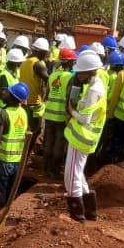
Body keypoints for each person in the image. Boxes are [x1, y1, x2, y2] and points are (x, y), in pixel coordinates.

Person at [64, 50, 107, 222]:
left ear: (89, 71)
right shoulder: (97, 85)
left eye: (80, 71)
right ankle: (90, 211)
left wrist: (71, 111)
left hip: (81, 138)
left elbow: (85, 118)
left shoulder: (94, 90)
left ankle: (77, 214)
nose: (78, 74)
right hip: (86, 138)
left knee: (71, 175)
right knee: (78, 173)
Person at [0, 82, 30, 208]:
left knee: (1, 189)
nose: (5, 94)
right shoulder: (23, 113)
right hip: (18, 160)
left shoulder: (3, 113)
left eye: (8, 93)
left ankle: (0, 211)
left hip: (4, 159)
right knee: (12, 188)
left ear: (13, 97)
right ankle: (9, 208)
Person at [43, 47, 76, 178]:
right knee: (59, 144)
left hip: (49, 114)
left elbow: (49, 93)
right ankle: (55, 171)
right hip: (61, 116)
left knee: (48, 142)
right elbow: (70, 99)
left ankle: (45, 169)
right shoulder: (71, 78)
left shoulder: (53, 75)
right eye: (72, 61)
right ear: (69, 62)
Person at [104, 50, 124, 163]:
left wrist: (110, 114)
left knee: (116, 140)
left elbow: (114, 96)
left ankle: (111, 162)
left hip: (119, 115)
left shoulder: (122, 74)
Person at [19, 38, 51, 136]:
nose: (46, 55)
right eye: (45, 53)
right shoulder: (38, 64)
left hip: (23, 99)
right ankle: (27, 151)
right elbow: (49, 80)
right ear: (40, 52)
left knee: (24, 127)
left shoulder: (25, 61)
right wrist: (47, 96)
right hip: (34, 102)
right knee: (35, 130)